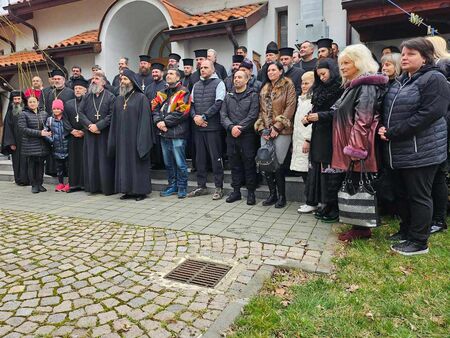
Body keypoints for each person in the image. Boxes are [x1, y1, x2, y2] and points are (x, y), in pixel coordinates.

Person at [379, 37, 450, 255]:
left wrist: (393, 132)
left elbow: (429, 114)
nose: (405, 57)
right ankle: (406, 230)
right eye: (403, 53)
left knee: (419, 195)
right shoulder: (402, 80)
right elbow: (390, 109)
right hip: (400, 150)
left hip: (422, 150)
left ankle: (419, 241)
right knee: (403, 193)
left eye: (411, 54)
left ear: (425, 57)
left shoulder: (433, 79)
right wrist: (383, 128)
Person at [331, 44, 388, 241]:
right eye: (341, 63)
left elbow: (364, 119)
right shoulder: (354, 86)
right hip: (353, 144)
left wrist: (355, 149)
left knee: (359, 185)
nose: (342, 67)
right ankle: (358, 226)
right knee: (355, 184)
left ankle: (362, 229)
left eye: (347, 62)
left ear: (359, 62)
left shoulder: (366, 85)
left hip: (360, 146)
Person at [303, 58, 343, 221]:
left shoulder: (340, 88)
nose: (321, 78)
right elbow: (316, 109)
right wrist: (309, 118)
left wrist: (319, 116)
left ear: (332, 71)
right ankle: (325, 204)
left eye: (324, 74)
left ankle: (334, 206)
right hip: (319, 134)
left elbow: (340, 113)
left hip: (332, 134)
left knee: (331, 172)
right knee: (320, 171)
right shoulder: (319, 88)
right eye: (318, 75)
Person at [255, 62, 297, 208]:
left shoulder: (288, 85)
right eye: (268, 70)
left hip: (282, 131)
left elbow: (290, 107)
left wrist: (277, 127)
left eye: (274, 70)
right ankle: (271, 195)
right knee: (266, 162)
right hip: (266, 131)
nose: (270, 72)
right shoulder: (265, 88)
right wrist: (262, 129)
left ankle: (282, 196)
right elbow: (261, 110)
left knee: (277, 164)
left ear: (281, 71)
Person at [108, 69, 153, 201]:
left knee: (137, 165)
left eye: (125, 79)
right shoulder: (118, 99)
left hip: (136, 139)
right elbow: (114, 122)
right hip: (122, 140)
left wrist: (142, 141)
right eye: (121, 80)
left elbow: (145, 122)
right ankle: (126, 190)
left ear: (133, 82)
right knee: (124, 164)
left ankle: (140, 191)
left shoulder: (141, 98)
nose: (122, 82)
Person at [188, 60, 226, 200]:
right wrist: (195, 117)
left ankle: (218, 187)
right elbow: (191, 105)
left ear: (213, 69)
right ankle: (201, 186)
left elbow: (219, 103)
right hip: (198, 127)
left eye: (205, 67)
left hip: (213, 128)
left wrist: (203, 116)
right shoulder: (196, 85)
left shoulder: (219, 83)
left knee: (216, 158)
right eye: (201, 67)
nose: (202, 70)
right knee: (200, 159)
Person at [221, 70, 259, 205]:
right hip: (231, 136)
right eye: (235, 77)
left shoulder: (253, 95)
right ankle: (236, 191)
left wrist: (240, 128)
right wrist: (231, 127)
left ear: (247, 80)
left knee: (249, 164)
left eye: (239, 77)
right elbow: (223, 115)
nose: (236, 79)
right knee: (234, 164)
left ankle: (251, 193)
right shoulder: (228, 96)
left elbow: (253, 115)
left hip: (247, 136)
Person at [152, 69, 191, 199]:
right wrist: (158, 121)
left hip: (178, 133)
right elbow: (154, 108)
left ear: (178, 77)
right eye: (167, 74)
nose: (168, 76)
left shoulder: (183, 92)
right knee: (168, 164)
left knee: (180, 163)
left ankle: (182, 187)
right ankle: (172, 186)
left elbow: (182, 112)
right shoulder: (161, 93)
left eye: (171, 74)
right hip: (164, 134)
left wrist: (164, 122)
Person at [426, 35, 450, 234]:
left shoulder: (441, 66)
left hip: (441, 127)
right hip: (440, 127)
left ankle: (439, 219)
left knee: (438, 175)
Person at [78, 70, 116, 195]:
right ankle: (92, 187)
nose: (93, 80)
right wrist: (90, 126)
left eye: (97, 78)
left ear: (103, 82)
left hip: (104, 134)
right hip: (90, 134)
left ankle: (106, 188)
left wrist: (99, 126)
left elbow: (112, 115)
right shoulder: (87, 97)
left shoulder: (110, 96)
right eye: (93, 78)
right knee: (92, 160)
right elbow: (81, 112)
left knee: (104, 161)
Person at [290, 71, 315, 213]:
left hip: (306, 141)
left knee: (309, 173)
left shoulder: (312, 100)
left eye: (307, 83)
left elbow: (310, 122)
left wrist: (307, 139)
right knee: (304, 173)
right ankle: (309, 200)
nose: (303, 85)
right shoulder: (302, 99)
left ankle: (311, 201)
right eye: (302, 83)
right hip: (299, 140)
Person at [18, 96, 51, 193]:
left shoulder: (44, 114)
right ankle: (34, 185)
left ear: (38, 102)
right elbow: (23, 129)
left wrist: (48, 131)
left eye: (34, 101)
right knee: (32, 165)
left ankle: (40, 184)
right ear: (27, 104)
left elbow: (48, 126)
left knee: (41, 165)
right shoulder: (23, 114)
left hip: (42, 144)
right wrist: (40, 133)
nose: (32, 103)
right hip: (30, 144)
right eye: (30, 102)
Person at [63, 77, 89, 193]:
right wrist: (72, 130)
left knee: (85, 160)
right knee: (73, 161)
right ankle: (74, 184)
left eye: (80, 88)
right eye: (76, 88)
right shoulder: (68, 104)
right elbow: (64, 119)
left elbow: (91, 118)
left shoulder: (89, 103)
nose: (77, 90)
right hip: (73, 136)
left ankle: (85, 184)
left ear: (85, 90)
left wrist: (84, 130)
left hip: (86, 136)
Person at [1, 91, 29, 185]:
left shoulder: (28, 110)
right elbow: (8, 128)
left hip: (27, 141)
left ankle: (28, 179)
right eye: (15, 99)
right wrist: (11, 142)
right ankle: (19, 180)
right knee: (17, 161)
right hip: (16, 142)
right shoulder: (10, 112)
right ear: (12, 100)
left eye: (19, 99)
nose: (17, 101)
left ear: (22, 100)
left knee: (27, 160)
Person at [145, 62, 166, 170]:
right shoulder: (148, 88)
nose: (154, 74)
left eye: (156, 72)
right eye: (153, 72)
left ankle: (163, 163)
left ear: (162, 73)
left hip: (163, 120)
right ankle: (155, 162)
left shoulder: (166, 86)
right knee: (153, 142)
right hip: (150, 120)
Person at [46, 99, 69, 192]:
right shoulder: (50, 120)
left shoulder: (66, 119)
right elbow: (45, 132)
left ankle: (69, 183)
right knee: (59, 168)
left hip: (67, 147)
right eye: (54, 108)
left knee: (68, 167)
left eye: (58, 108)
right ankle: (60, 183)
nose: (56, 110)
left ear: (62, 109)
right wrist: (51, 140)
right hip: (56, 147)